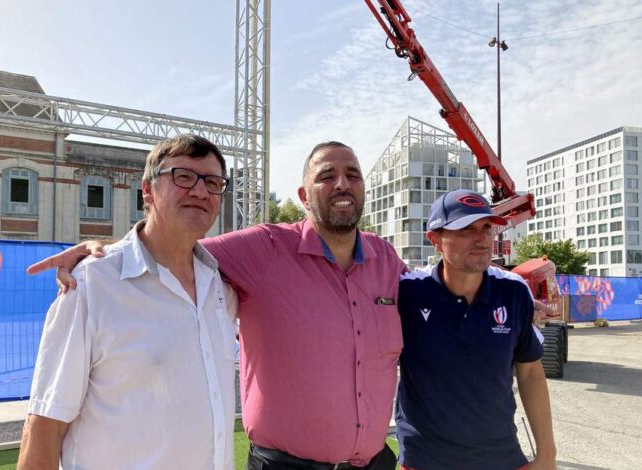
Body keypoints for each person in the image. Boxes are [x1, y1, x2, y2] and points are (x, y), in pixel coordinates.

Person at [29, 142, 556, 470]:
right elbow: (169, 247)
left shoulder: (389, 262)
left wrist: (522, 281)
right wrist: (103, 251)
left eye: (351, 174)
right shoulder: (260, 249)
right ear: (304, 195)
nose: (341, 184)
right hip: (286, 466)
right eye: (326, 176)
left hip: (373, 462)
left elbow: (455, 273)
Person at [17, 135, 238, 470]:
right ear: (146, 190)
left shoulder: (224, 284)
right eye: (183, 176)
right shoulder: (91, 283)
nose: (200, 191)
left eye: (213, 182)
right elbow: (45, 423)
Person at [396, 189, 556, 470]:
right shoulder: (407, 292)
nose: (482, 239)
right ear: (435, 240)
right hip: (425, 460)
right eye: (466, 229)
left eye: (486, 228)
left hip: (501, 457)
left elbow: (530, 371)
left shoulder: (514, 291)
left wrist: (547, 455)